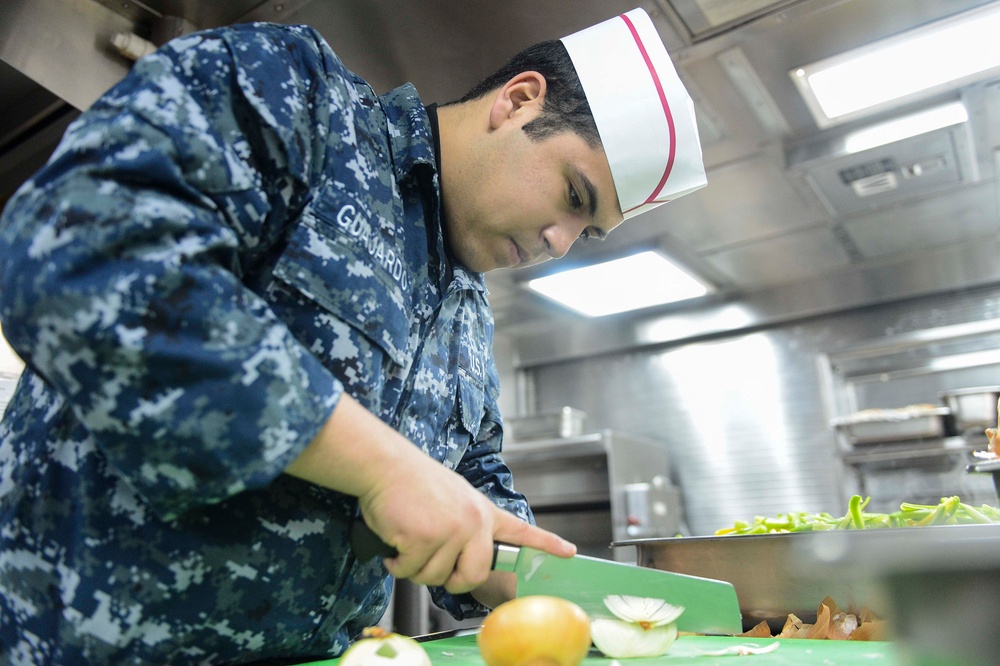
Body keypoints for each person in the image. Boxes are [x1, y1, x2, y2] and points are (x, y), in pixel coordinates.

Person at [0, 7, 705, 665]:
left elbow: (468, 485)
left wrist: (535, 579)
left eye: (587, 232)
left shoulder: (467, 310)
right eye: (573, 196)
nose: (559, 240)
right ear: (518, 100)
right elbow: (85, 253)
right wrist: (381, 467)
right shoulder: (299, 99)